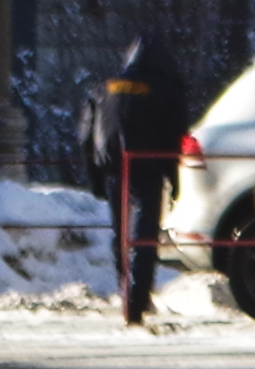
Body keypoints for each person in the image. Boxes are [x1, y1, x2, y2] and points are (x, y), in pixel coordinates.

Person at [78, 34, 185, 325]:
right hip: (147, 169)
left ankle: (125, 292)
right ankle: (137, 304)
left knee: (121, 235)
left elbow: (86, 135)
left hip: (112, 167)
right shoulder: (165, 89)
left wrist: (95, 177)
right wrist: (175, 179)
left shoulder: (104, 87)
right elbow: (175, 137)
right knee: (143, 237)